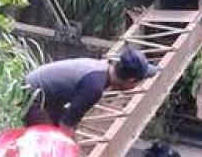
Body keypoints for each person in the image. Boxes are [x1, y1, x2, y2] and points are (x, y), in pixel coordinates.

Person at [23, 44, 158, 129]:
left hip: (47, 97)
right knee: (48, 143)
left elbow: (69, 119)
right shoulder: (94, 88)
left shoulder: (101, 69)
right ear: (131, 80)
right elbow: (66, 126)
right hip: (32, 96)